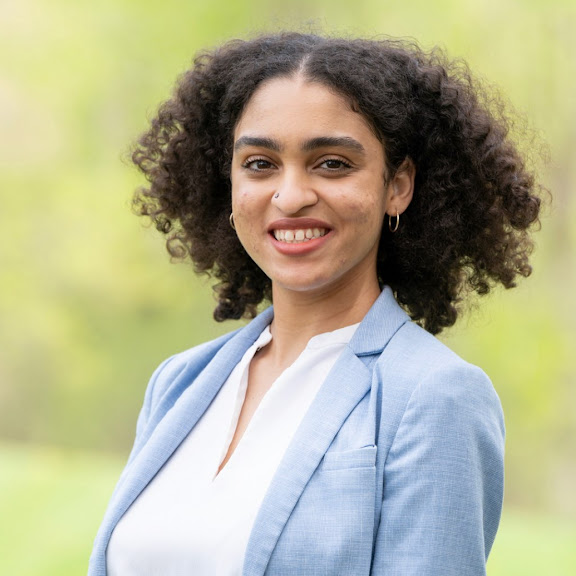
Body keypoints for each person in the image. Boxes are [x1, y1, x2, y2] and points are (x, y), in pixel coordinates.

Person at [89, 32, 543, 575]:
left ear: (397, 186)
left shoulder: (436, 396)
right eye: (259, 163)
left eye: (331, 163)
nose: (291, 196)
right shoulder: (179, 383)